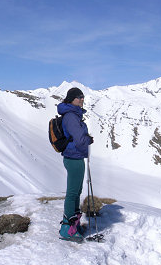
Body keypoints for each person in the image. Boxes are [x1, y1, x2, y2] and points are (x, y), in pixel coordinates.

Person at [57, 87, 93, 240]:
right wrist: (88, 139)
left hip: (75, 157)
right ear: (71, 99)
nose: (82, 99)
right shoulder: (71, 116)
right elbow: (79, 139)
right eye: (79, 97)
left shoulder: (73, 114)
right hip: (74, 158)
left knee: (76, 192)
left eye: (82, 97)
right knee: (72, 193)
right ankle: (66, 228)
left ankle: (74, 225)